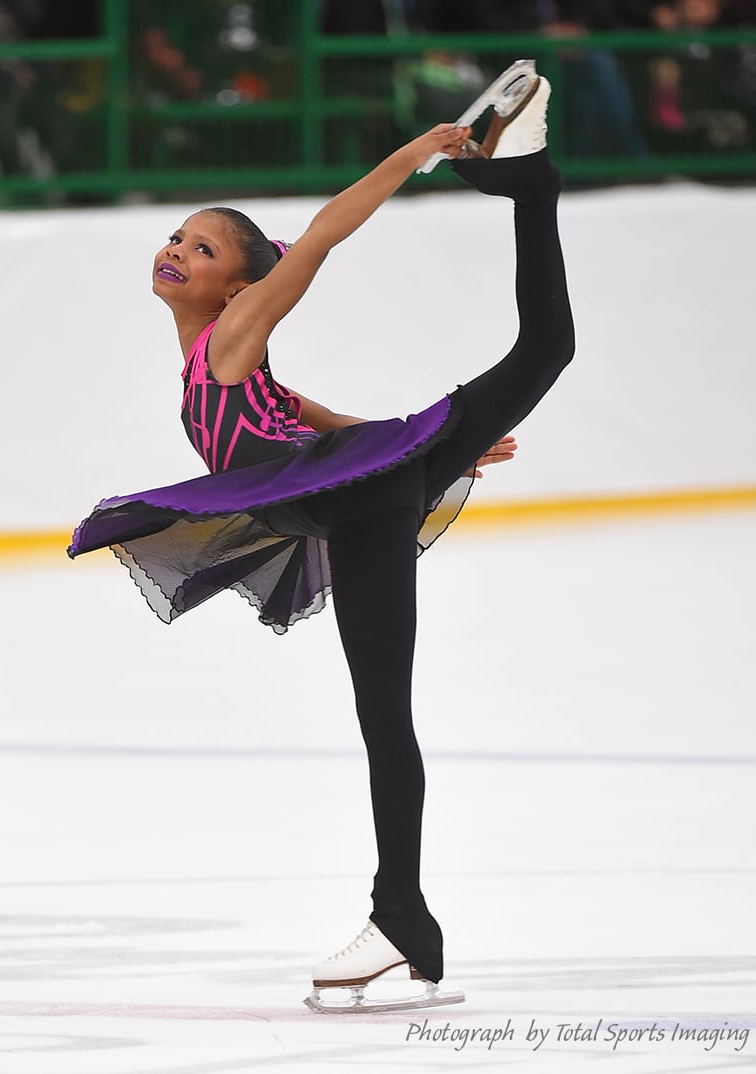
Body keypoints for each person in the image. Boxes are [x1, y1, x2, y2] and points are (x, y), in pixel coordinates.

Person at [69, 60, 575, 1013]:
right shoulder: (218, 366)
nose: (178, 251)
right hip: (362, 492)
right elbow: (323, 429)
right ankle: (404, 920)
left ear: (238, 288)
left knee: (387, 713)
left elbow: (327, 234)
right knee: (383, 713)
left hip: (365, 501)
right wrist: (445, 456)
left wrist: (415, 152)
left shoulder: (232, 334)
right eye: (177, 236)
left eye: (205, 249)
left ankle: (531, 186)